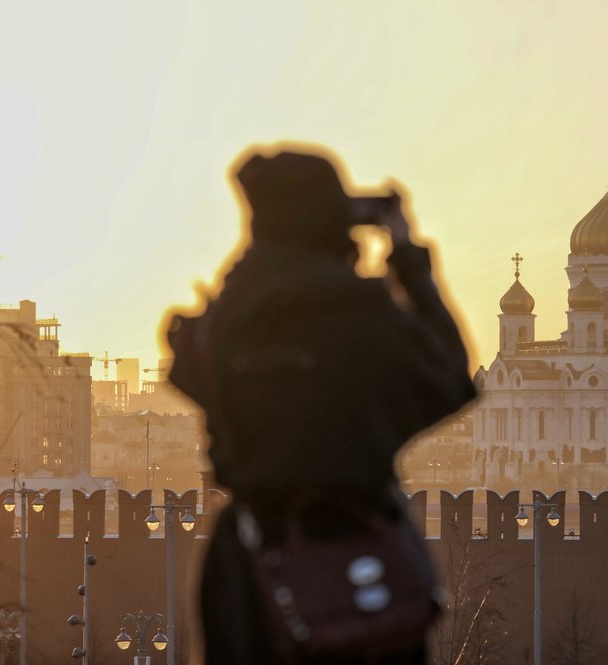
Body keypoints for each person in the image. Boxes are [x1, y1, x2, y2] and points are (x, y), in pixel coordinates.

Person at [166, 146, 476, 664]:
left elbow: (186, 364)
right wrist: (406, 256)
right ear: (336, 219)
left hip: (251, 571)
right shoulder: (364, 316)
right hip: (362, 564)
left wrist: (257, 255)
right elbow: (448, 377)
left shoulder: (228, 324)